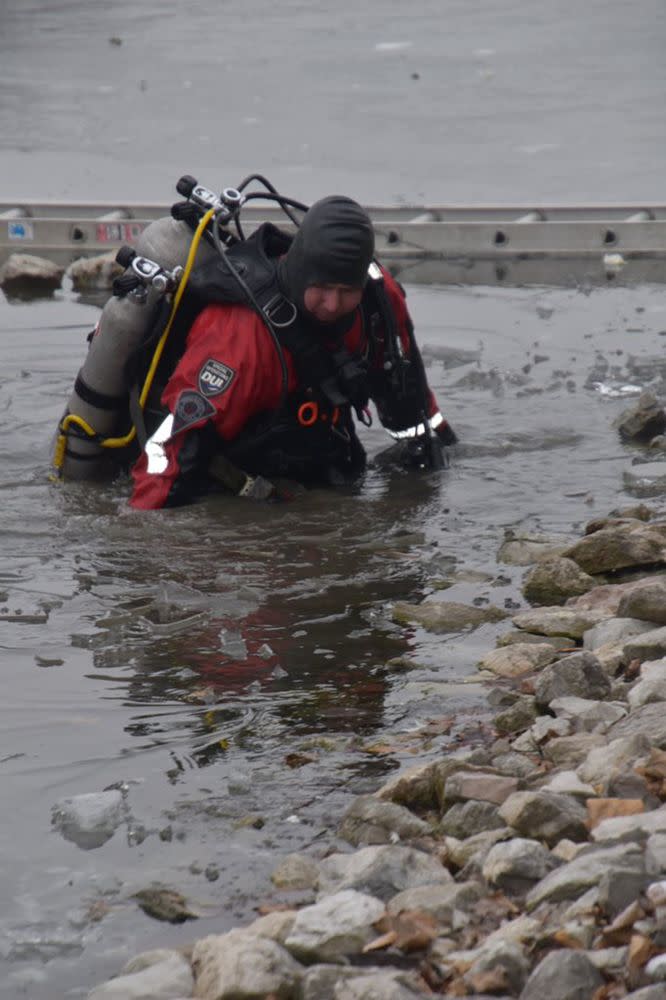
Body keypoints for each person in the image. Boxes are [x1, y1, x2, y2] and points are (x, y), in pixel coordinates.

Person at [129, 195, 456, 509]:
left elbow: (408, 401)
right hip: (235, 487)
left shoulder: (379, 302)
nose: (333, 305)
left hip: (327, 469)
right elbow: (171, 450)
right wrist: (146, 537)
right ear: (300, 270)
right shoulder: (238, 335)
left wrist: (442, 450)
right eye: (323, 288)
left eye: (347, 291)